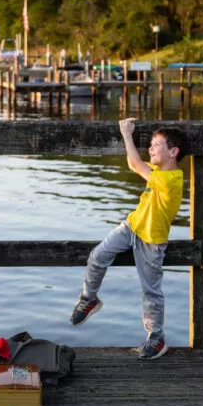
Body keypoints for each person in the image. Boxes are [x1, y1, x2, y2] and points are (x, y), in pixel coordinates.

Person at [70, 118, 187, 360]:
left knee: (150, 290)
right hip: (131, 226)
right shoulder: (157, 171)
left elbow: (134, 162)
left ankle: (156, 337)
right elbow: (133, 163)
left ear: (173, 152)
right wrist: (133, 147)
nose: (151, 149)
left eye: (156, 145)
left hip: (152, 240)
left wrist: (126, 133)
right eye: (151, 145)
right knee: (98, 256)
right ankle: (89, 299)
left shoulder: (171, 179)